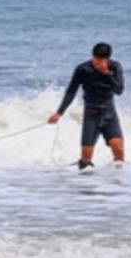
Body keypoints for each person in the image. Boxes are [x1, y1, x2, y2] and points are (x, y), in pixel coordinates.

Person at [48, 42, 125, 172]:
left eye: (101, 61)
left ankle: (116, 181)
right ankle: (85, 181)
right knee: (86, 160)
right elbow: (71, 92)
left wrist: (107, 73)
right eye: (96, 60)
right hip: (91, 114)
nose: (98, 63)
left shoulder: (115, 67)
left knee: (119, 151)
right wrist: (59, 113)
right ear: (92, 56)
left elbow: (119, 90)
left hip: (109, 113)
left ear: (107, 59)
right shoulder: (82, 69)